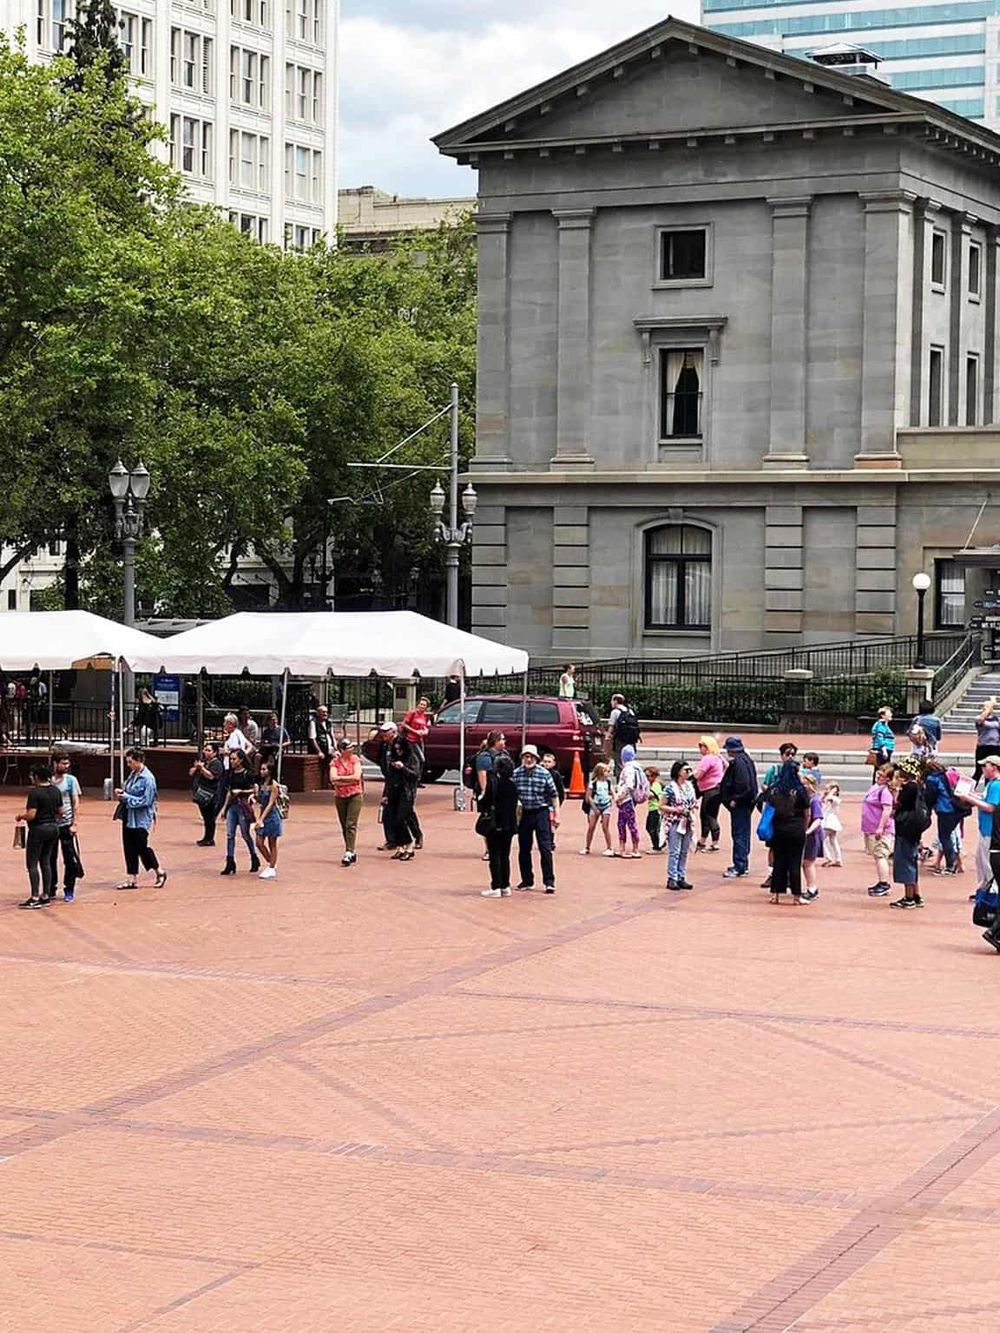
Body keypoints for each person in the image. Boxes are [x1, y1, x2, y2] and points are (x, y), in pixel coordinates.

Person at [114, 747, 167, 892]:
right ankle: (132, 878)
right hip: (129, 815)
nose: (128, 765)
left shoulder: (148, 779)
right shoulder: (133, 774)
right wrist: (123, 793)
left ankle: (159, 871)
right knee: (129, 846)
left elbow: (146, 800)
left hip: (141, 818)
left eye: (130, 762)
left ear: (138, 761)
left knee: (141, 847)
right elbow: (129, 790)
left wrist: (127, 797)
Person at [512, 743, 559, 892]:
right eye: (526, 756)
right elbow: (512, 794)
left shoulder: (544, 773)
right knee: (524, 848)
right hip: (525, 812)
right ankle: (527, 880)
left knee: (545, 847)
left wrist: (556, 815)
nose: (528, 759)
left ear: (536, 758)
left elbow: (554, 795)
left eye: (531, 757)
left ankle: (549, 881)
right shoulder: (517, 774)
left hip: (541, 812)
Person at [14, 762, 62, 908]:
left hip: (38, 829)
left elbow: (32, 814)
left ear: (36, 777)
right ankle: (46, 894)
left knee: (32, 863)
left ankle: (34, 896)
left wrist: (21, 816)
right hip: (54, 828)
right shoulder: (55, 791)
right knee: (46, 861)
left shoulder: (35, 793)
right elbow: (61, 811)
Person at [764, 760, 810, 905]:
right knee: (794, 862)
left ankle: (775, 894)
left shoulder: (774, 789)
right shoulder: (799, 789)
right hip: (796, 827)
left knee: (779, 861)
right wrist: (804, 827)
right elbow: (806, 812)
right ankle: (796, 896)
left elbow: (767, 804)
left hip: (778, 828)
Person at [890, 756, 930, 910]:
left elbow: (898, 804)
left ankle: (908, 897)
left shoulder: (909, 788)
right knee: (911, 860)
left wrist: (896, 790)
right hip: (914, 829)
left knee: (905, 861)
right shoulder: (919, 785)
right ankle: (916, 894)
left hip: (906, 828)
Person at [758, 743, 798, 889]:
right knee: (773, 846)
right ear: (781, 755)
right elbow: (764, 786)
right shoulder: (773, 770)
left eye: (793, 754)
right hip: (775, 812)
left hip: (791, 815)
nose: (790, 757)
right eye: (787, 754)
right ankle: (772, 874)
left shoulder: (797, 770)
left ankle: (787, 875)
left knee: (790, 847)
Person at [480, 749, 519, 897]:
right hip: (509, 824)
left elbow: (484, 802)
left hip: (495, 824)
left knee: (494, 854)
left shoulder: (494, 784)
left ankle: (495, 886)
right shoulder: (513, 786)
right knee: (505, 855)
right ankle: (505, 885)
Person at [719, 736, 758, 879]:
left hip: (741, 803)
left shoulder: (739, 763)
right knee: (743, 833)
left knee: (739, 834)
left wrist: (735, 799)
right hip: (747, 802)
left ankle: (740, 865)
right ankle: (743, 863)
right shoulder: (747, 760)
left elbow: (744, 785)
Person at [220, 747, 259, 875]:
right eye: (230, 759)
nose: (232, 761)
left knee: (245, 834)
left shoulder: (247, 774)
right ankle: (230, 861)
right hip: (232, 806)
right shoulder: (230, 774)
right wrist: (224, 809)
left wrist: (241, 791)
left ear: (241, 760)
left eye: (234, 759)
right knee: (230, 835)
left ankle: (254, 857)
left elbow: (254, 790)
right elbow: (229, 792)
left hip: (242, 806)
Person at [49, 751, 82, 902]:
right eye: (63, 763)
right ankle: (51, 887)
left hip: (66, 823)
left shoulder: (71, 781)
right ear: (55, 763)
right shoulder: (48, 780)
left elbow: (75, 802)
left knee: (69, 857)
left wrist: (74, 823)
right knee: (50, 857)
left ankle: (69, 888)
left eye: (68, 763)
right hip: (51, 824)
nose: (66, 766)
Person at [861, 763, 896, 897]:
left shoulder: (885, 792)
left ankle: (884, 883)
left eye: (882, 776)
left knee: (881, 855)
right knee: (876, 855)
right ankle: (881, 881)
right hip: (870, 826)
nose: (878, 777)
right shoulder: (875, 788)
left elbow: (887, 810)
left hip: (880, 828)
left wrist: (881, 827)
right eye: (878, 774)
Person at [662, 760, 697, 891]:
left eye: (689, 770)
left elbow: (693, 801)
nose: (688, 773)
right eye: (685, 770)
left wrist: (693, 806)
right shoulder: (670, 788)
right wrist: (676, 810)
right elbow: (662, 805)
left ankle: (681, 876)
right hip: (675, 821)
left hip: (687, 821)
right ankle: (672, 877)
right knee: (674, 851)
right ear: (678, 772)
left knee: (684, 851)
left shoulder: (689, 786)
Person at [385, 735, 421, 861]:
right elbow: (389, 779)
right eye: (396, 749)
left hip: (406, 793)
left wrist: (403, 768)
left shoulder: (411, 758)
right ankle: (400, 846)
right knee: (393, 819)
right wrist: (385, 795)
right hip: (394, 792)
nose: (398, 752)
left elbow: (415, 775)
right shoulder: (393, 758)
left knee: (401, 818)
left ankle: (409, 844)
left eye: (400, 749)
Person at [329, 737, 364, 866]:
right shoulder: (335, 762)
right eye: (349, 748)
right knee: (344, 824)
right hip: (340, 796)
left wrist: (341, 779)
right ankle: (351, 849)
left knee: (351, 823)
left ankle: (348, 851)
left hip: (355, 794)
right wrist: (345, 780)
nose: (352, 749)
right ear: (342, 750)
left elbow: (356, 777)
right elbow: (333, 779)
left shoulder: (355, 760)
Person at [923, 760, 961, 875]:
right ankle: (955, 862)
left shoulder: (932, 779)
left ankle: (951, 865)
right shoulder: (948, 774)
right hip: (956, 807)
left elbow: (930, 796)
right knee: (949, 835)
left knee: (944, 837)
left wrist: (927, 809)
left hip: (945, 809)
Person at [614, 744, 647, 858]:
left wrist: (620, 797)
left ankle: (633, 848)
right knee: (625, 823)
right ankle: (628, 847)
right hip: (629, 799)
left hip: (626, 800)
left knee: (626, 823)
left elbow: (629, 785)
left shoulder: (628, 769)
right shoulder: (636, 767)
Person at [694, 736, 725, 854]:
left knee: (707, 815)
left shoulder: (707, 759)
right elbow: (726, 765)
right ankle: (704, 840)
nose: (700, 749)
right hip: (717, 788)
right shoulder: (718, 757)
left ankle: (713, 842)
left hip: (709, 789)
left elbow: (698, 775)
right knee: (711, 814)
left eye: (701, 746)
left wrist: (694, 773)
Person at [253, 758, 283, 879]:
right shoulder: (261, 785)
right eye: (261, 769)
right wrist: (254, 796)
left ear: (270, 771)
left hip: (271, 816)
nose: (261, 771)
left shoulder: (274, 785)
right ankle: (272, 862)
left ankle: (271, 867)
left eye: (264, 769)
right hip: (262, 814)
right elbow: (260, 800)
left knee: (272, 843)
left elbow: (271, 804)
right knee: (259, 842)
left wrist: (261, 819)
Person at [581, 761, 615, 855]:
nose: (608, 773)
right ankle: (587, 847)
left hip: (606, 805)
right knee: (591, 827)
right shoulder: (593, 783)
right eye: (606, 771)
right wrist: (594, 808)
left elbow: (612, 792)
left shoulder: (608, 782)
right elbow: (589, 797)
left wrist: (615, 798)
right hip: (595, 805)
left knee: (605, 827)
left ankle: (609, 847)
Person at [801, 773, 824, 901]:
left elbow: (818, 819)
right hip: (807, 834)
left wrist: (808, 831)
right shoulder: (805, 799)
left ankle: (812, 888)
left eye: (805, 784)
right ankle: (810, 887)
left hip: (812, 835)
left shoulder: (814, 800)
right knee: (805, 862)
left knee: (808, 862)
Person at [607, 694, 641, 772]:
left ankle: (621, 780)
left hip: (620, 740)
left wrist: (607, 737)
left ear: (615, 701)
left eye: (612, 701)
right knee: (630, 761)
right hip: (631, 740)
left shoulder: (615, 712)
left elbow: (611, 726)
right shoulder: (630, 711)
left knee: (619, 761)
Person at [401, 696, 431, 770]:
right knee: (420, 758)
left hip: (419, 740)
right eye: (421, 704)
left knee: (418, 760)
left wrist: (425, 731)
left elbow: (425, 727)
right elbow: (404, 724)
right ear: (417, 705)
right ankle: (414, 775)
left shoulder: (424, 716)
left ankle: (417, 776)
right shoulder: (412, 713)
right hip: (411, 739)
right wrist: (415, 731)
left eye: (424, 705)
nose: (422, 706)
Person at [974, 698, 1000, 783]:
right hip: (983, 747)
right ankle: (968, 789)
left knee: (992, 770)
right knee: (979, 770)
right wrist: (990, 705)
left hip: (995, 747)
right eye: (985, 707)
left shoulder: (996, 719)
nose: (986, 708)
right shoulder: (978, 718)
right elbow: (981, 720)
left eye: (988, 707)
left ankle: (988, 789)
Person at [821, 782, 843, 867]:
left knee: (821, 840)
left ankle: (828, 858)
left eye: (827, 789)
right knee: (833, 841)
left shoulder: (834, 799)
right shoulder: (827, 798)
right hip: (830, 822)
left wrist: (832, 792)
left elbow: (828, 799)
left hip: (829, 822)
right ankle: (838, 859)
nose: (826, 790)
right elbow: (822, 801)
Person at [645, 766, 663, 852]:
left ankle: (657, 846)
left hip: (656, 809)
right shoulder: (650, 784)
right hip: (651, 809)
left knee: (653, 828)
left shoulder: (656, 785)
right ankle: (658, 843)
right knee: (648, 827)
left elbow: (650, 795)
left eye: (649, 776)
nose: (647, 778)